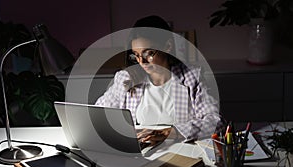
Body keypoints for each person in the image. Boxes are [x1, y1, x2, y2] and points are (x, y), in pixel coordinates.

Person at [95, 15, 223, 145]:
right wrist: (122, 87)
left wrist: (170, 133)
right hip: (143, 152)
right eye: (137, 55)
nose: (142, 62)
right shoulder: (127, 78)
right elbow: (98, 114)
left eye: (149, 53)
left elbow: (215, 122)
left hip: (181, 150)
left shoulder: (191, 77)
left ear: (167, 46)